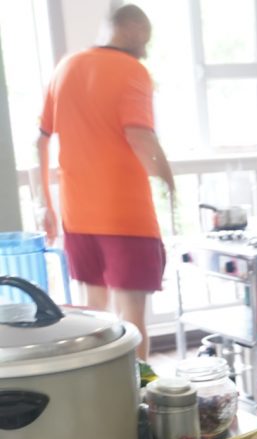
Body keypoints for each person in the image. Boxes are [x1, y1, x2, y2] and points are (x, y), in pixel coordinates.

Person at [36, 4, 174, 360]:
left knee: (93, 320)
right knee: (132, 323)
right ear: (130, 31)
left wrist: (45, 206)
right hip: (126, 218)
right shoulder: (131, 70)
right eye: (144, 40)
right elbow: (139, 136)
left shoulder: (65, 67)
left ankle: (98, 400)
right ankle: (136, 398)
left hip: (77, 216)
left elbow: (40, 139)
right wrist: (168, 179)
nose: (144, 50)